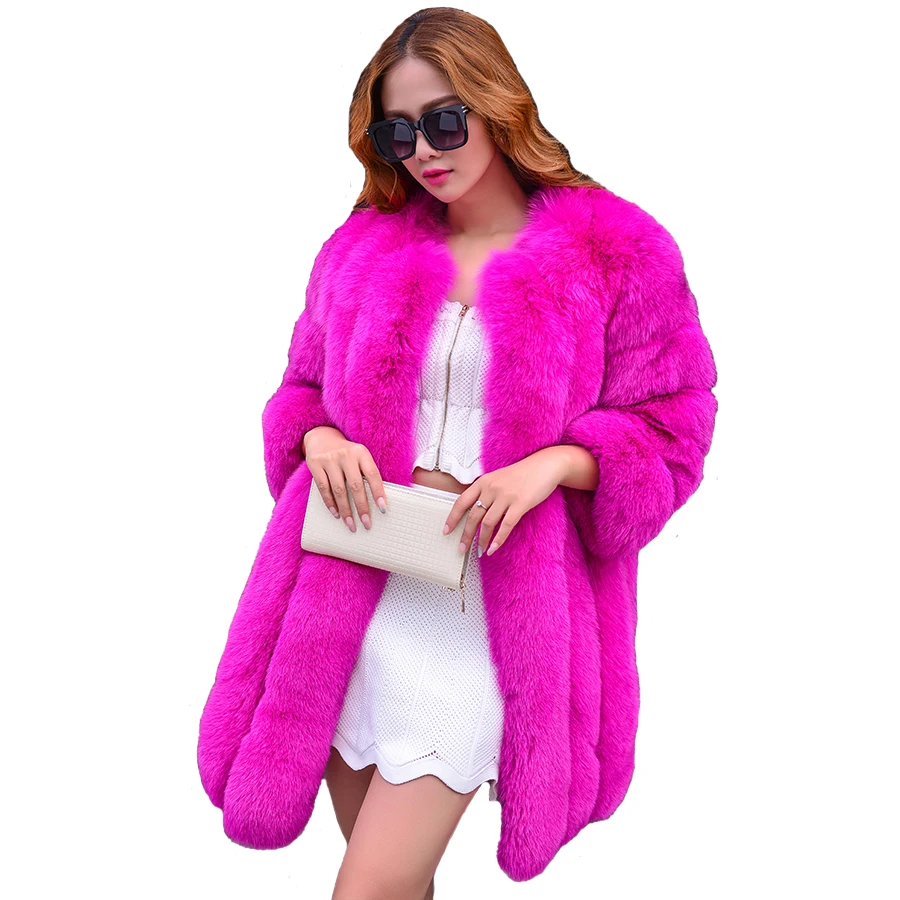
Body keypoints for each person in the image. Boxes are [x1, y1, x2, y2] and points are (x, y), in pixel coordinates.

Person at [197, 8, 719, 895]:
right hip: (350, 599)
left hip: (489, 612)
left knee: (366, 889)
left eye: (445, 120)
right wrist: (318, 436)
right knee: (397, 887)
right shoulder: (362, 249)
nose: (424, 151)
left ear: (497, 101)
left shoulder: (616, 252)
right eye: (397, 133)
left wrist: (555, 465)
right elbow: (299, 392)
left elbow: (677, 427)